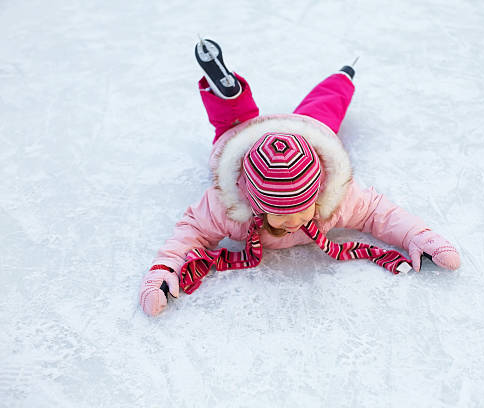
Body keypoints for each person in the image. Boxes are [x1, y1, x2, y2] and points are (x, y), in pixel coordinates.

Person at [139, 39, 461, 316]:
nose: (293, 222)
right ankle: (227, 93)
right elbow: (191, 232)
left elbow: (381, 214)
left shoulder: (337, 198)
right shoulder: (227, 206)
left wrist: (419, 236)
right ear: (256, 204)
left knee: (324, 113)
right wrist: (164, 270)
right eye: (280, 214)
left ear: (318, 191)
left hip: (308, 138)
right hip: (247, 145)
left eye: (300, 209)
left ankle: (342, 76)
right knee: (233, 126)